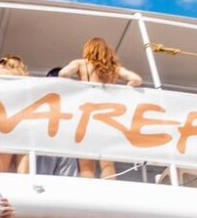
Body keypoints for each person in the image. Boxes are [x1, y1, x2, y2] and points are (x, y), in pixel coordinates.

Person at [58, 38, 143, 178]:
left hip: (85, 116)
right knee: (108, 163)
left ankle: (87, 195)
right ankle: (109, 191)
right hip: (107, 116)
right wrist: (124, 90)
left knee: (86, 165)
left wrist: (75, 87)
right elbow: (136, 79)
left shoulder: (80, 63)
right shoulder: (114, 68)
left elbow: (63, 74)